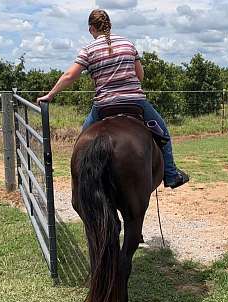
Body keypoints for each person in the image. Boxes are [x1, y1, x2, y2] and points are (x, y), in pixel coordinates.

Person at [37, 9, 189, 189]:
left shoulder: (88, 50)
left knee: (82, 143)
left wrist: (50, 95)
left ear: (91, 29)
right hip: (135, 102)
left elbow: (70, 75)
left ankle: (80, 182)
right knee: (163, 133)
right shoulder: (128, 44)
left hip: (104, 106)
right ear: (110, 25)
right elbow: (140, 75)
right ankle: (171, 175)